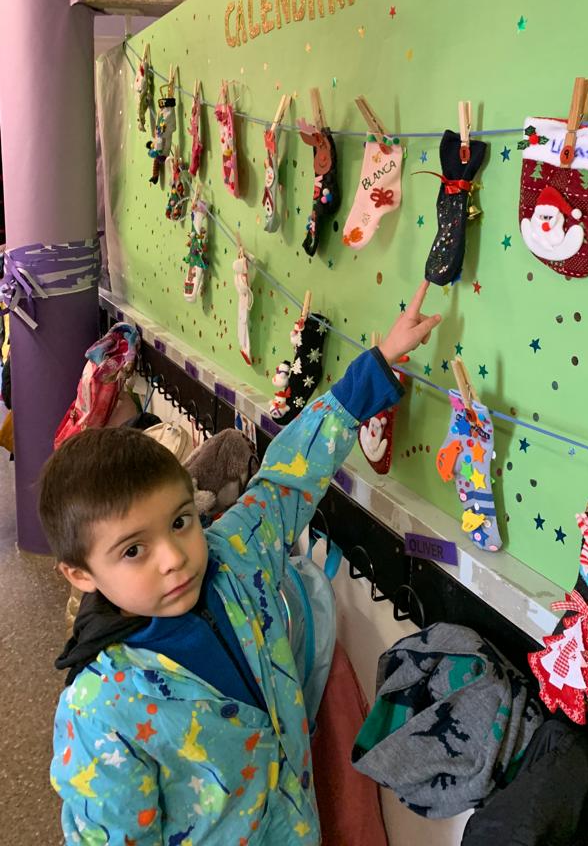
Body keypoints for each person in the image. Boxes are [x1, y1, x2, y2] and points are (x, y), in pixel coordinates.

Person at [40, 281, 441, 846]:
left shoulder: (235, 556)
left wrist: (375, 368)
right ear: (81, 574)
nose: (174, 558)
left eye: (180, 522)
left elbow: (287, 477)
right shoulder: (100, 711)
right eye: (133, 550)